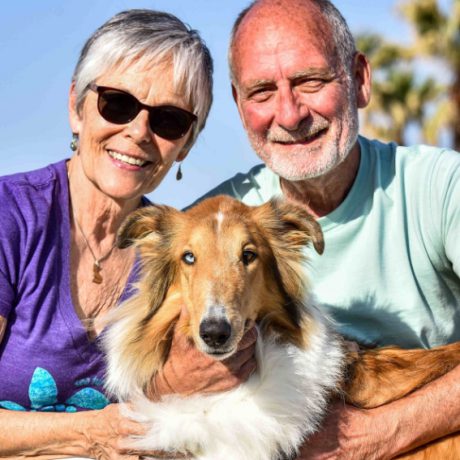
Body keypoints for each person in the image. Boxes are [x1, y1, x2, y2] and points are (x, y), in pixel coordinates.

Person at [200, 0, 460, 458]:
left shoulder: (440, 185)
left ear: (359, 79)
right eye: (262, 91)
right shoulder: (208, 225)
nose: (290, 113)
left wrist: (378, 435)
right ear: (240, 107)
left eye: (310, 81)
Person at [0, 9, 256, 459]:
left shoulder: (181, 254)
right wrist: (91, 433)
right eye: (117, 103)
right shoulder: (11, 217)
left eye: (169, 120)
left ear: (186, 144)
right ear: (77, 107)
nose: (138, 132)